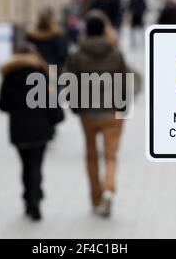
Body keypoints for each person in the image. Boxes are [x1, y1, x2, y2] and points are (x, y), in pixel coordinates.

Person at [64, 11, 128, 218]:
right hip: (112, 111)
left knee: (92, 155)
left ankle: (96, 198)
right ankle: (109, 189)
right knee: (110, 156)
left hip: (88, 112)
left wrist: (75, 106)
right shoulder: (115, 53)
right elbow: (124, 80)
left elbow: (68, 82)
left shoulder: (76, 55)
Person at [0, 45, 64, 222]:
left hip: (18, 129)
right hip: (39, 128)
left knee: (25, 165)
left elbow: (2, 105)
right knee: (36, 165)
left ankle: (28, 198)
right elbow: (51, 103)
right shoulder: (41, 75)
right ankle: (35, 198)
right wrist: (56, 118)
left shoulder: (9, 76)